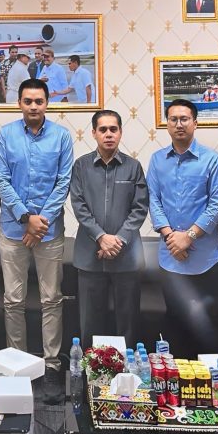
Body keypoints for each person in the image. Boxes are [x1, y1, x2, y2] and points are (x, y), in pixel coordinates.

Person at [0, 78, 73, 404]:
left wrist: (40, 223)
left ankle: (51, 366)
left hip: (49, 233)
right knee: (13, 300)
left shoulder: (62, 136)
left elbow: (63, 182)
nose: (33, 106)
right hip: (13, 231)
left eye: (39, 101)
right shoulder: (5, 135)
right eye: (28, 101)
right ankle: (17, 364)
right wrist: (27, 217)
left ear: (47, 103)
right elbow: (1, 180)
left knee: (51, 299)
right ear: (19, 103)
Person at [147, 99, 218, 359]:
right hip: (170, 257)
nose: (179, 124)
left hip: (206, 259)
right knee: (175, 323)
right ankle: (177, 379)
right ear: (167, 124)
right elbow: (153, 200)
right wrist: (172, 237)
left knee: (209, 325)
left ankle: (206, 381)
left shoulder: (212, 160)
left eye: (184, 119)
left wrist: (189, 236)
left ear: (195, 123)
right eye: (173, 119)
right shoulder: (157, 160)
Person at [70, 110, 148, 348]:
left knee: (128, 325)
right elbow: (79, 205)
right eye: (103, 129)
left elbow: (140, 208)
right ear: (94, 133)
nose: (108, 134)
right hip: (90, 256)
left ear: (120, 132)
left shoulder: (133, 167)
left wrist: (118, 240)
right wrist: (101, 237)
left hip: (127, 257)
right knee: (90, 325)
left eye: (113, 129)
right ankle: (89, 370)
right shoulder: (81, 166)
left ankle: (127, 369)